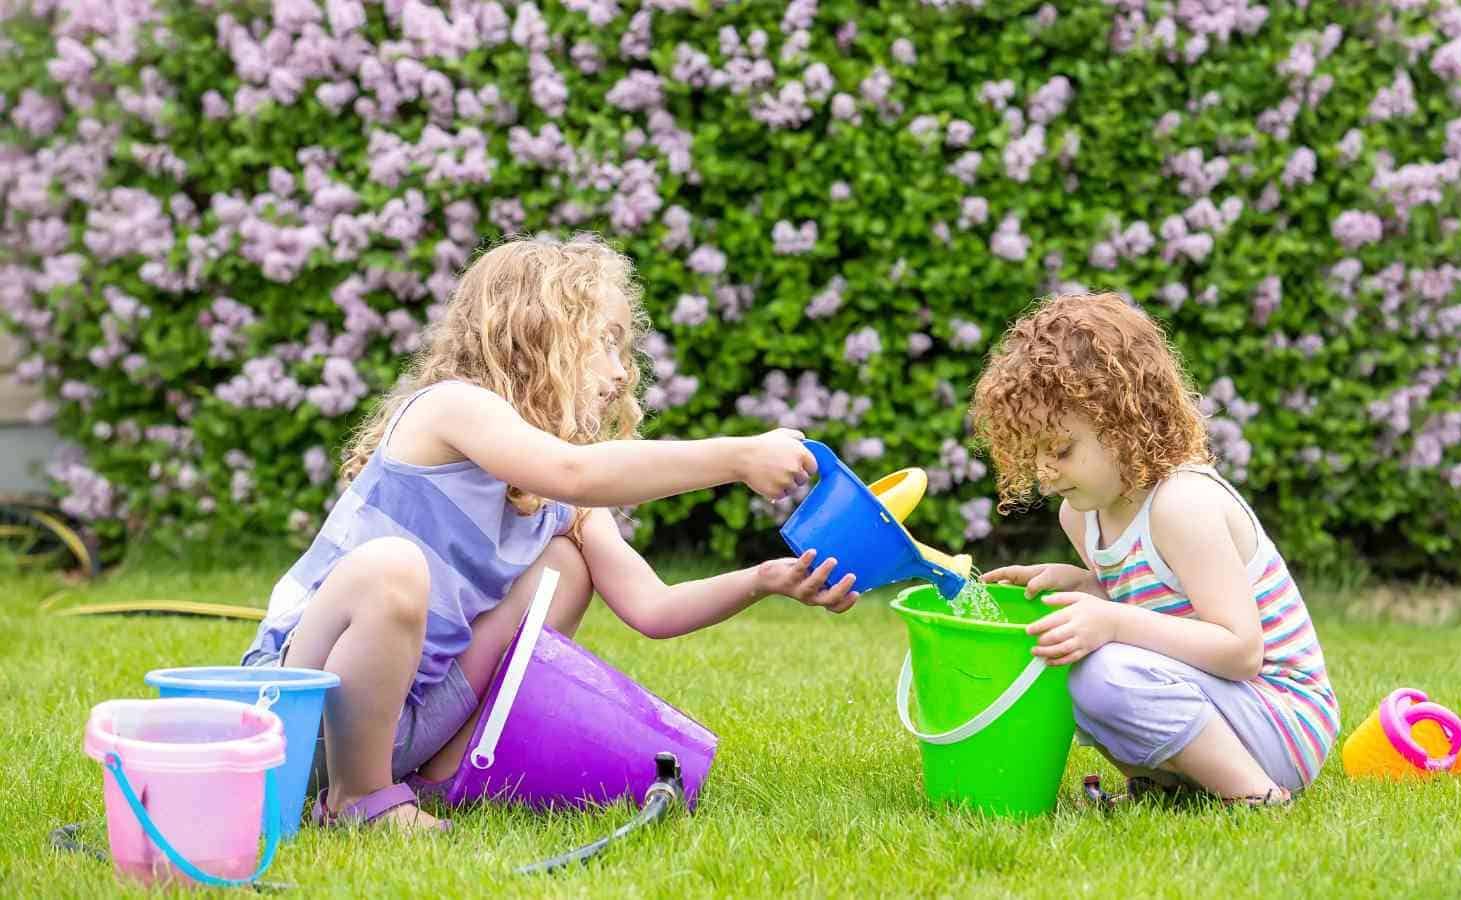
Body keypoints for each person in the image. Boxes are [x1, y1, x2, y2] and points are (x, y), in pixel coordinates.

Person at [241, 235, 858, 831]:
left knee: (566, 567)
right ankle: (359, 799)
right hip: (301, 713)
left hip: (411, 719)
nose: (622, 373)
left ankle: (439, 776)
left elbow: (654, 608)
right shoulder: (451, 407)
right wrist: (736, 456)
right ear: (539, 333)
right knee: (394, 568)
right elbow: (574, 470)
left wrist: (766, 579)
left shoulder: (560, 500)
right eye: (606, 344)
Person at [971, 292, 1338, 808]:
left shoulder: (1183, 504)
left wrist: (1111, 622)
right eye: (1031, 453)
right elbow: (1158, 610)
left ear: (1125, 422)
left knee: (1101, 670)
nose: (1044, 473)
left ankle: (1257, 796)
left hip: (1283, 721)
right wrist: (1086, 587)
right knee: (1064, 649)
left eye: (1059, 450)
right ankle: (1166, 787)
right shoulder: (1081, 513)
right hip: (1230, 710)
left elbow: (1240, 651)